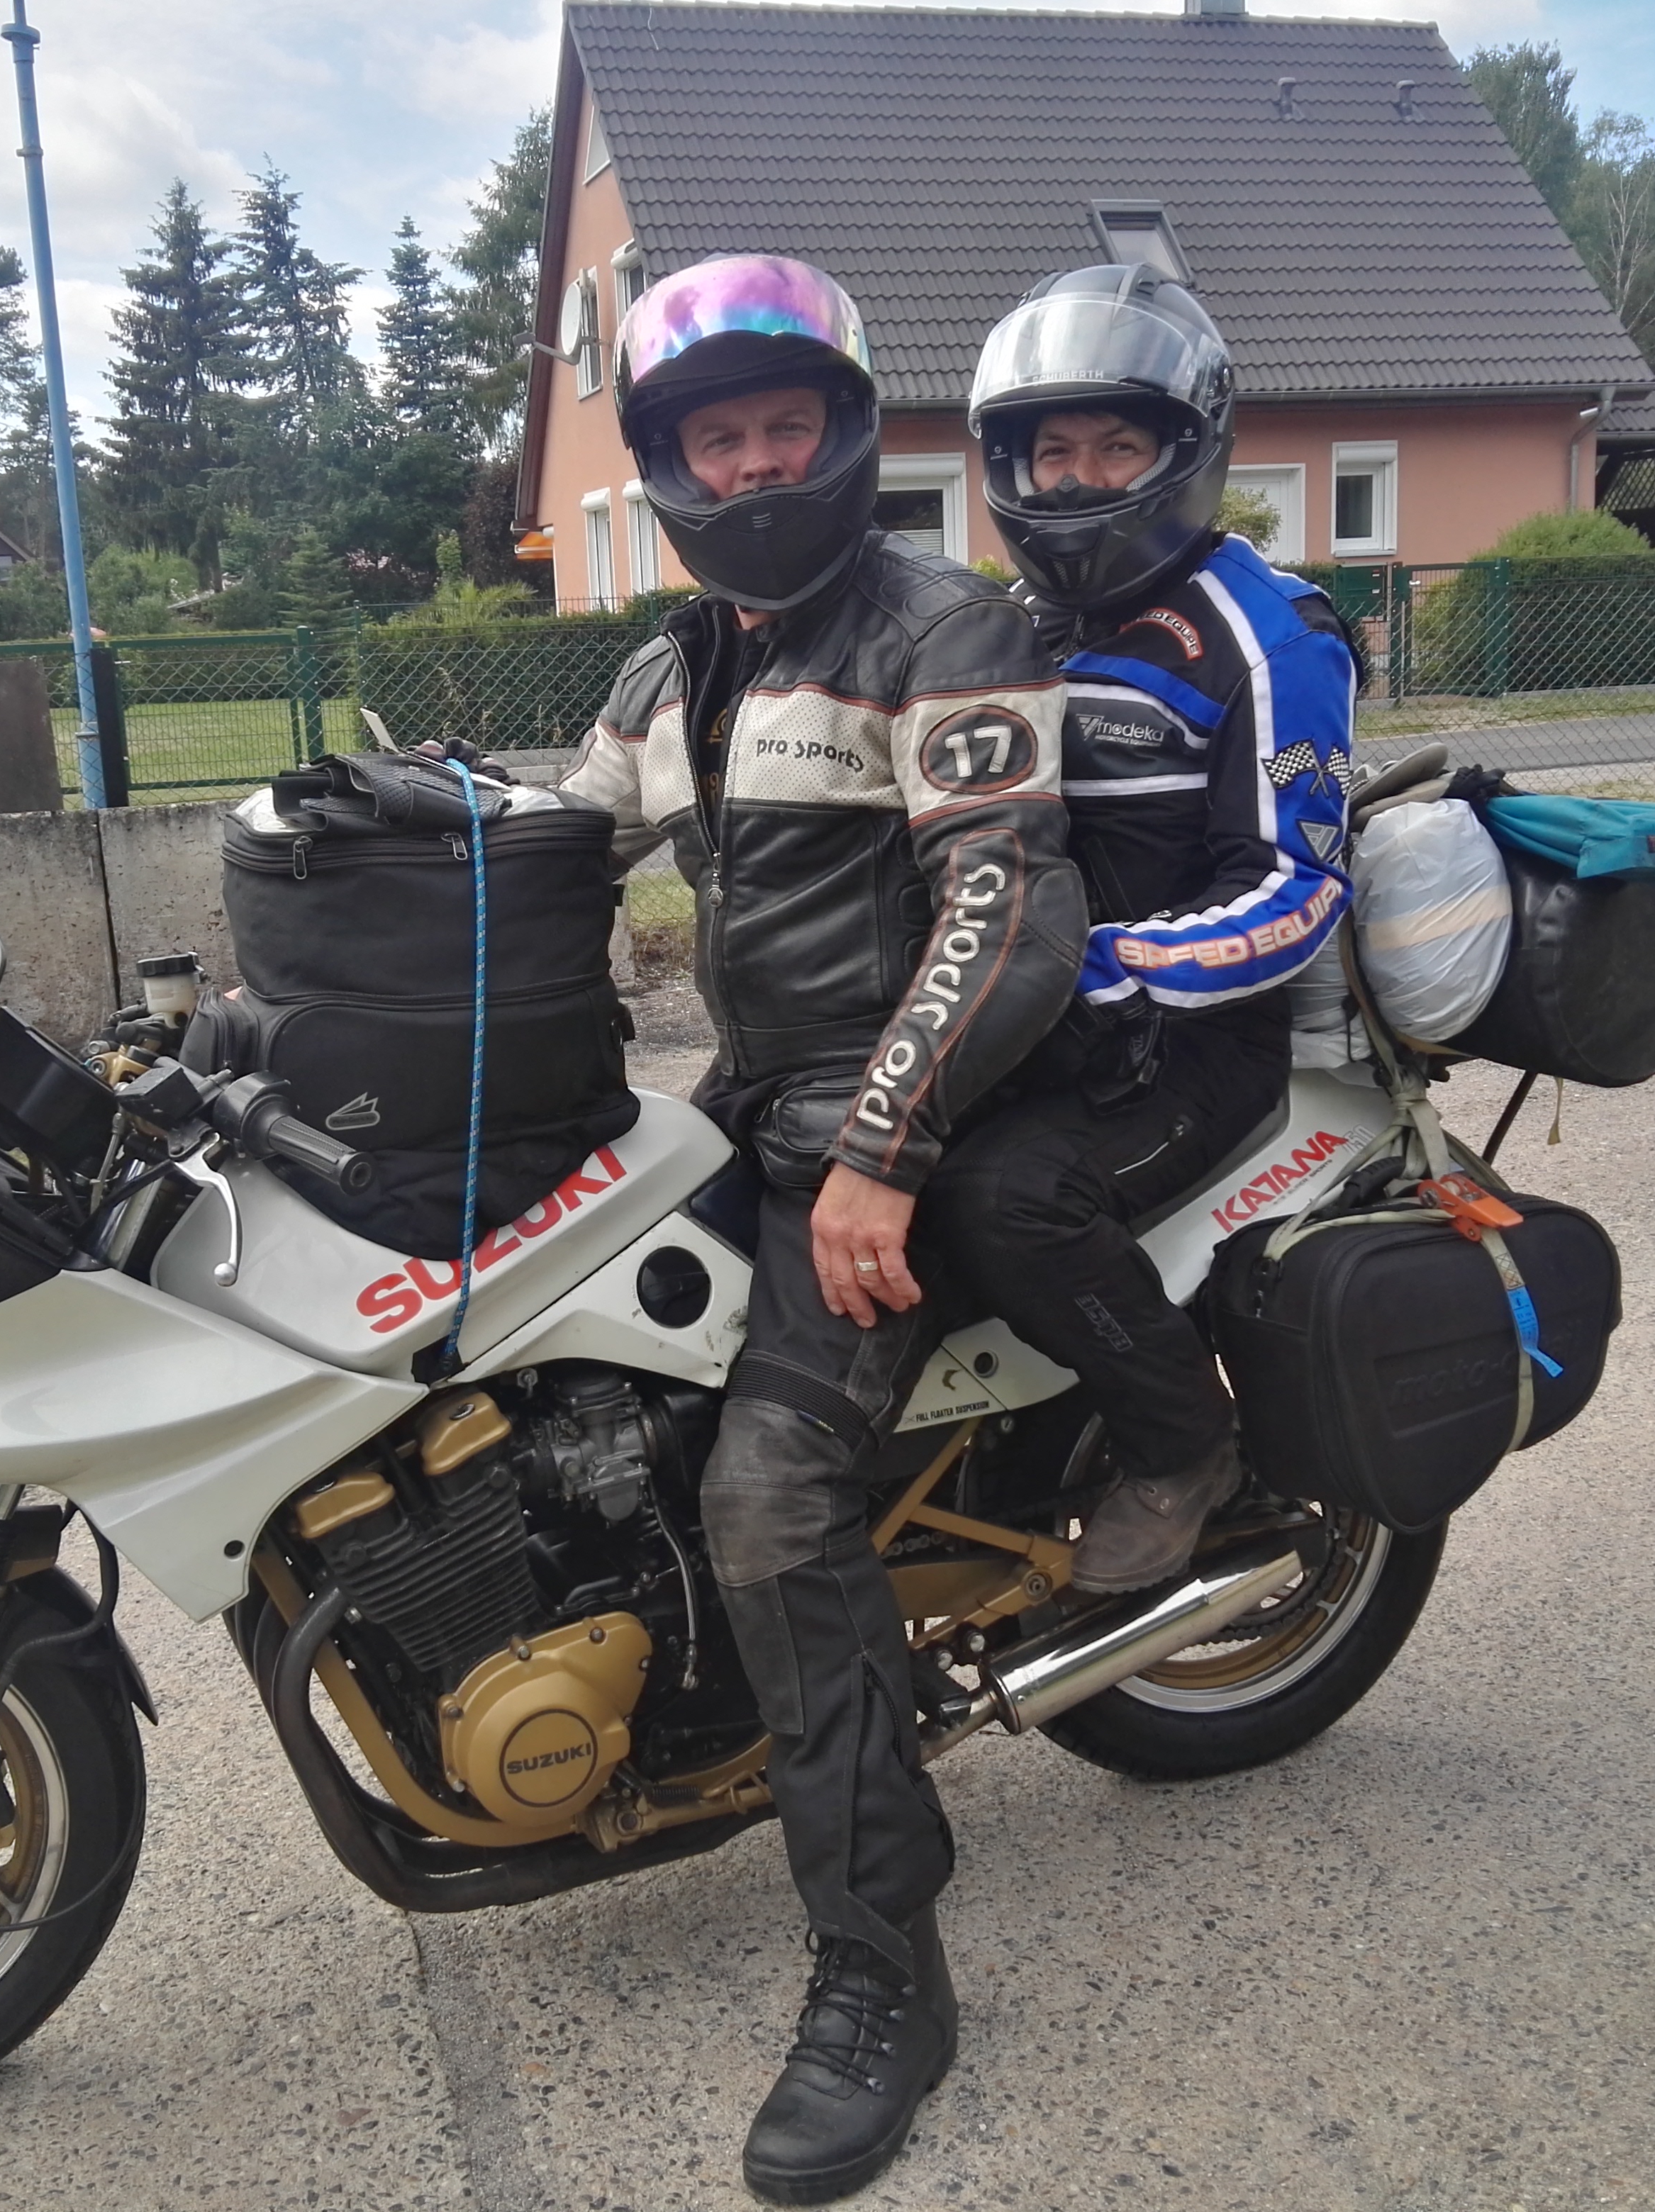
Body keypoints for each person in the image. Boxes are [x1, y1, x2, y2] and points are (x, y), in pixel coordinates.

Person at [560, 254, 1086, 2205]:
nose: (756, 463)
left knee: (774, 1497)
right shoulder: (670, 673)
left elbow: (1006, 904)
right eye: (719, 436)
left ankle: (883, 1970)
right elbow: (546, 856)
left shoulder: (948, 628)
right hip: (754, 1107)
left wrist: (883, 1144)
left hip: (919, 1125)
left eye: (788, 425)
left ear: (849, 436)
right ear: (670, 463)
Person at [918, 263, 1360, 1594]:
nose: (1078, 479)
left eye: (1115, 446)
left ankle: (1184, 1444)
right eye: (1050, 452)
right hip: (1020, 1024)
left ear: (1186, 451)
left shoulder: (1267, 633)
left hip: (1189, 1048)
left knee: (1008, 1202)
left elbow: (1297, 889)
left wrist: (1100, 974)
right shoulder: (1006, 626)